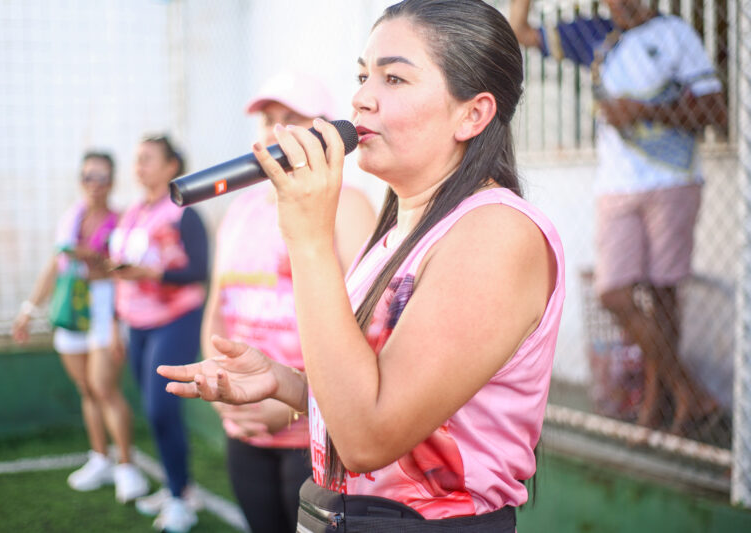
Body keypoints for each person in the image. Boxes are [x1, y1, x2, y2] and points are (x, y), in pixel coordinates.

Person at [160, 0, 565, 530]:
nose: (361, 99)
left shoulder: (496, 234)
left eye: (394, 78)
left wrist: (307, 238)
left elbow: (369, 437)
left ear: (473, 113)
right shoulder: (399, 232)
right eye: (362, 75)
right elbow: (378, 395)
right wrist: (286, 382)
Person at [509, 0, 728, 435]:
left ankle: (657, 406)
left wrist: (644, 111)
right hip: (616, 187)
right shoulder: (596, 35)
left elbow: (715, 111)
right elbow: (519, 31)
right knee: (615, 293)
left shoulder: (675, 35)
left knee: (663, 295)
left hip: (672, 180)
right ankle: (690, 392)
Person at [200, 72, 377, 533]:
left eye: (291, 120)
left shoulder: (351, 205)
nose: (276, 132)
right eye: (268, 120)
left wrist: (293, 398)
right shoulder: (240, 210)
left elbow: (370, 323)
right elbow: (218, 304)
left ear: (323, 131)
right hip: (246, 425)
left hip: (317, 435)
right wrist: (223, 389)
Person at [12, 151, 148, 503]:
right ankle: (100, 458)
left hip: (105, 311)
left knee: (105, 388)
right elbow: (54, 266)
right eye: (89, 176)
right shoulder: (69, 220)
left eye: (103, 177)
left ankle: (126, 466)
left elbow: (125, 273)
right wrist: (28, 309)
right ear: (80, 179)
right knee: (87, 389)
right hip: (71, 310)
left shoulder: (121, 221)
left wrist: (92, 259)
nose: (95, 184)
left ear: (113, 182)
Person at [109, 135, 208, 533]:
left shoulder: (184, 210)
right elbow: (122, 272)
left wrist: (151, 273)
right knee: (155, 411)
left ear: (172, 166)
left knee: (161, 410)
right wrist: (119, 323)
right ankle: (178, 487)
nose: (139, 167)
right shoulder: (133, 211)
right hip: (137, 324)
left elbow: (199, 269)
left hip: (176, 319)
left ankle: (181, 499)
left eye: (148, 159)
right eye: (137, 159)